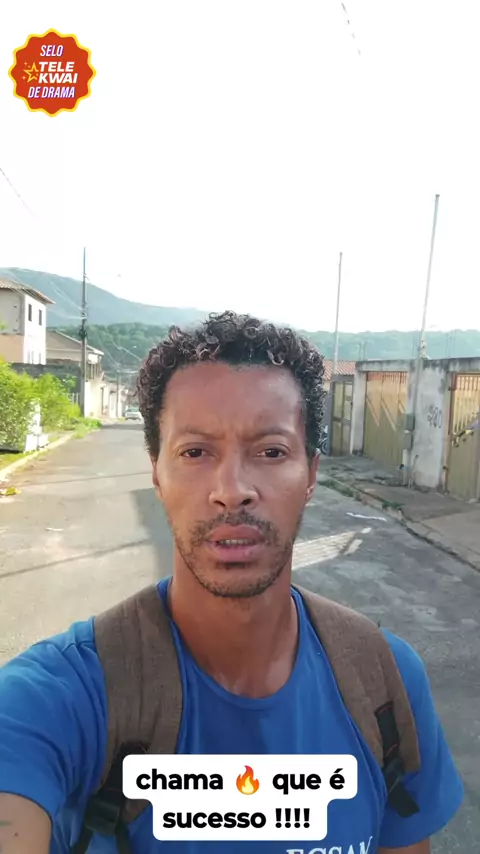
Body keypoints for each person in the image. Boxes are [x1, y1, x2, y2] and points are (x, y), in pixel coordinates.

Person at [0, 311, 463, 853]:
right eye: (195, 452)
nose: (232, 489)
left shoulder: (384, 680)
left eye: (271, 451)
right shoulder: (55, 700)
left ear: (311, 475)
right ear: (157, 473)